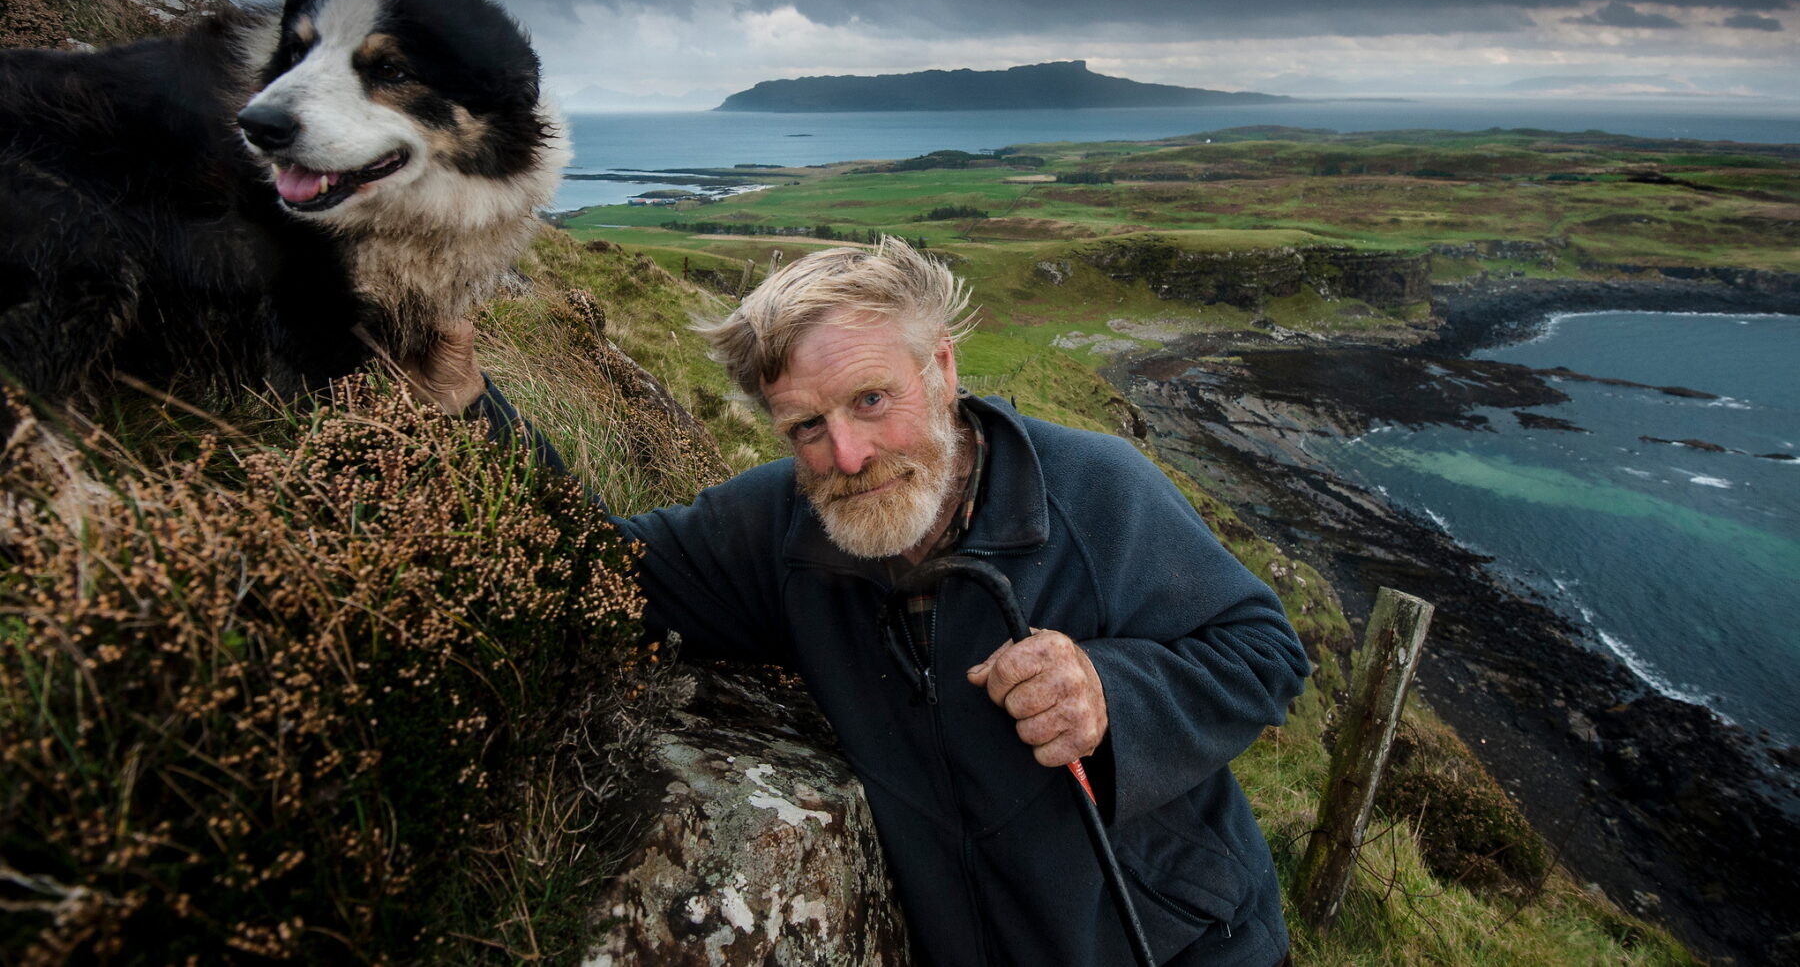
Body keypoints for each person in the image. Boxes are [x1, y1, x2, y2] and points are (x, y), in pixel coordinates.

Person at [409, 238, 1310, 967]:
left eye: (873, 399)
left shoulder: (1095, 490)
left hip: (1187, 943)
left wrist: (1110, 693)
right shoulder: (777, 528)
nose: (847, 455)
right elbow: (593, 570)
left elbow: (1263, 649)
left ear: (944, 369)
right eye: (807, 425)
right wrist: (466, 405)